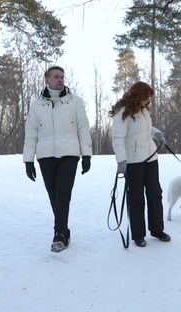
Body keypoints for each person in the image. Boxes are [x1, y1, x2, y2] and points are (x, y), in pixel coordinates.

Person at [23, 65, 93, 253]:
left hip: (69, 153)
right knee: (53, 195)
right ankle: (64, 229)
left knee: (63, 194)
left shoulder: (74, 102)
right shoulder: (36, 104)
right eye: (55, 76)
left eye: (62, 76)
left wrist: (86, 154)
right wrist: (28, 160)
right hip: (45, 155)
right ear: (47, 80)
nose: (60, 79)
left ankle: (59, 234)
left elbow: (83, 128)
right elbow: (31, 133)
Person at [109, 81, 171, 248]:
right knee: (136, 198)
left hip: (151, 158)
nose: (147, 102)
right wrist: (121, 160)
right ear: (137, 96)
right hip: (133, 162)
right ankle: (138, 234)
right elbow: (118, 138)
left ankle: (157, 230)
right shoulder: (122, 111)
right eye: (145, 98)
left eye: (149, 99)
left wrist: (157, 134)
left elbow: (146, 129)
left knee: (155, 194)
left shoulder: (143, 110)